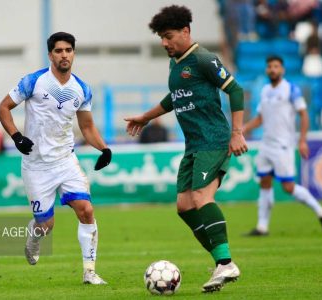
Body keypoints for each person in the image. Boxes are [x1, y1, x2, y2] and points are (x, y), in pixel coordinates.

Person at [124, 5, 248, 293]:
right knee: (184, 206)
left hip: (213, 140)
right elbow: (176, 96)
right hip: (193, 145)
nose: (164, 43)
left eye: (168, 36)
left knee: (201, 197)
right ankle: (221, 262)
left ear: (185, 31)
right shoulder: (176, 64)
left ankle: (226, 261)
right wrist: (146, 116)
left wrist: (237, 133)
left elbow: (236, 90)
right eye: (161, 38)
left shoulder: (204, 59)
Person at [0, 32, 111, 284]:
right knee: (46, 225)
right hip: (36, 166)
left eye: (68, 50)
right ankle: (34, 235)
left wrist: (104, 149)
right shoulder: (33, 82)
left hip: (66, 161)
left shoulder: (82, 89)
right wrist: (16, 136)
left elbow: (88, 127)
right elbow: (3, 107)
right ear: (50, 55)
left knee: (86, 210)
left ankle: (89, 272)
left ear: (73, 54)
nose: (64, 55)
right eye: (58, 51)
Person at [243, 55, 322, 236]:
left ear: (282, 70)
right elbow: (260, 118)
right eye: (269, 66)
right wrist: (243, 129)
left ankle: (321, 212)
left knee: (288, 187)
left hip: (283, 146)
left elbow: (304, 114)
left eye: (276, 66)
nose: (272, 69)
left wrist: (303, 140)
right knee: (265, 182)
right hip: (266, 144)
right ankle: (262, 226)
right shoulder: (265, 90)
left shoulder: (291, 89)